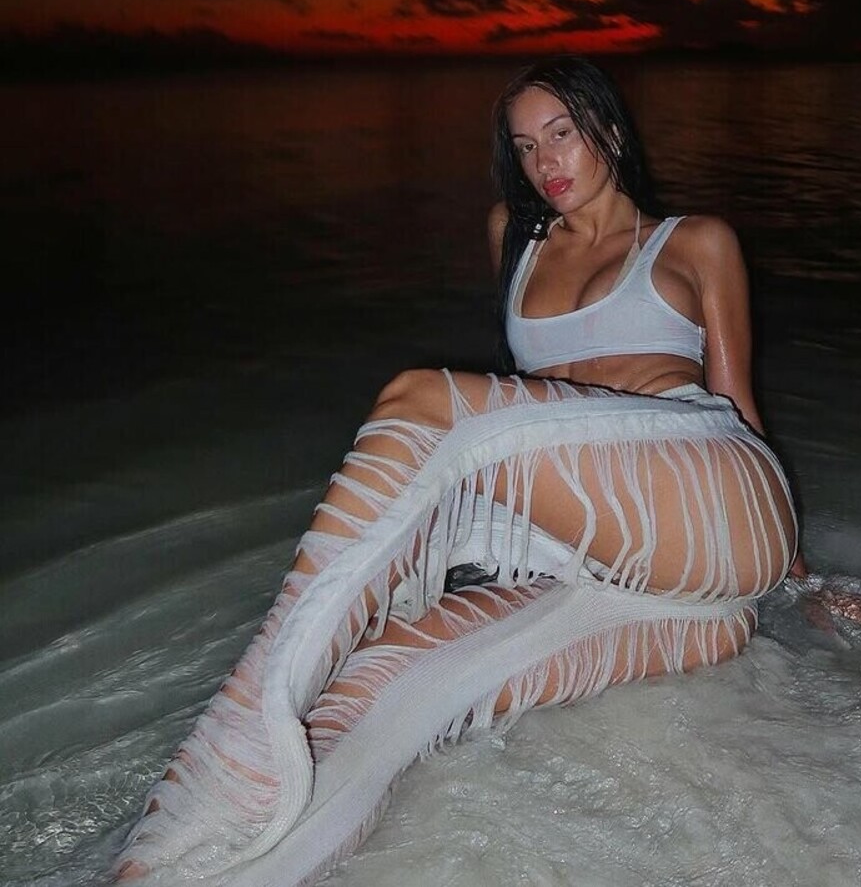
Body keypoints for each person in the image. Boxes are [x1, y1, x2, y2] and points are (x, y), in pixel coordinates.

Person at [113, 57, 808, 884]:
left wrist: (805, 576)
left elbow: (738, 408)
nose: (545, 162)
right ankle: (170, 863)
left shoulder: (695, 242)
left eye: (562, 134)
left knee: (420, 401)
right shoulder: (512, 239)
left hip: (720, 510)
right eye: (526, 146)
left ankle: (242, 717)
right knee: (373, 690)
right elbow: (526, 421)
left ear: (611, 131)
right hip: (669, 593)